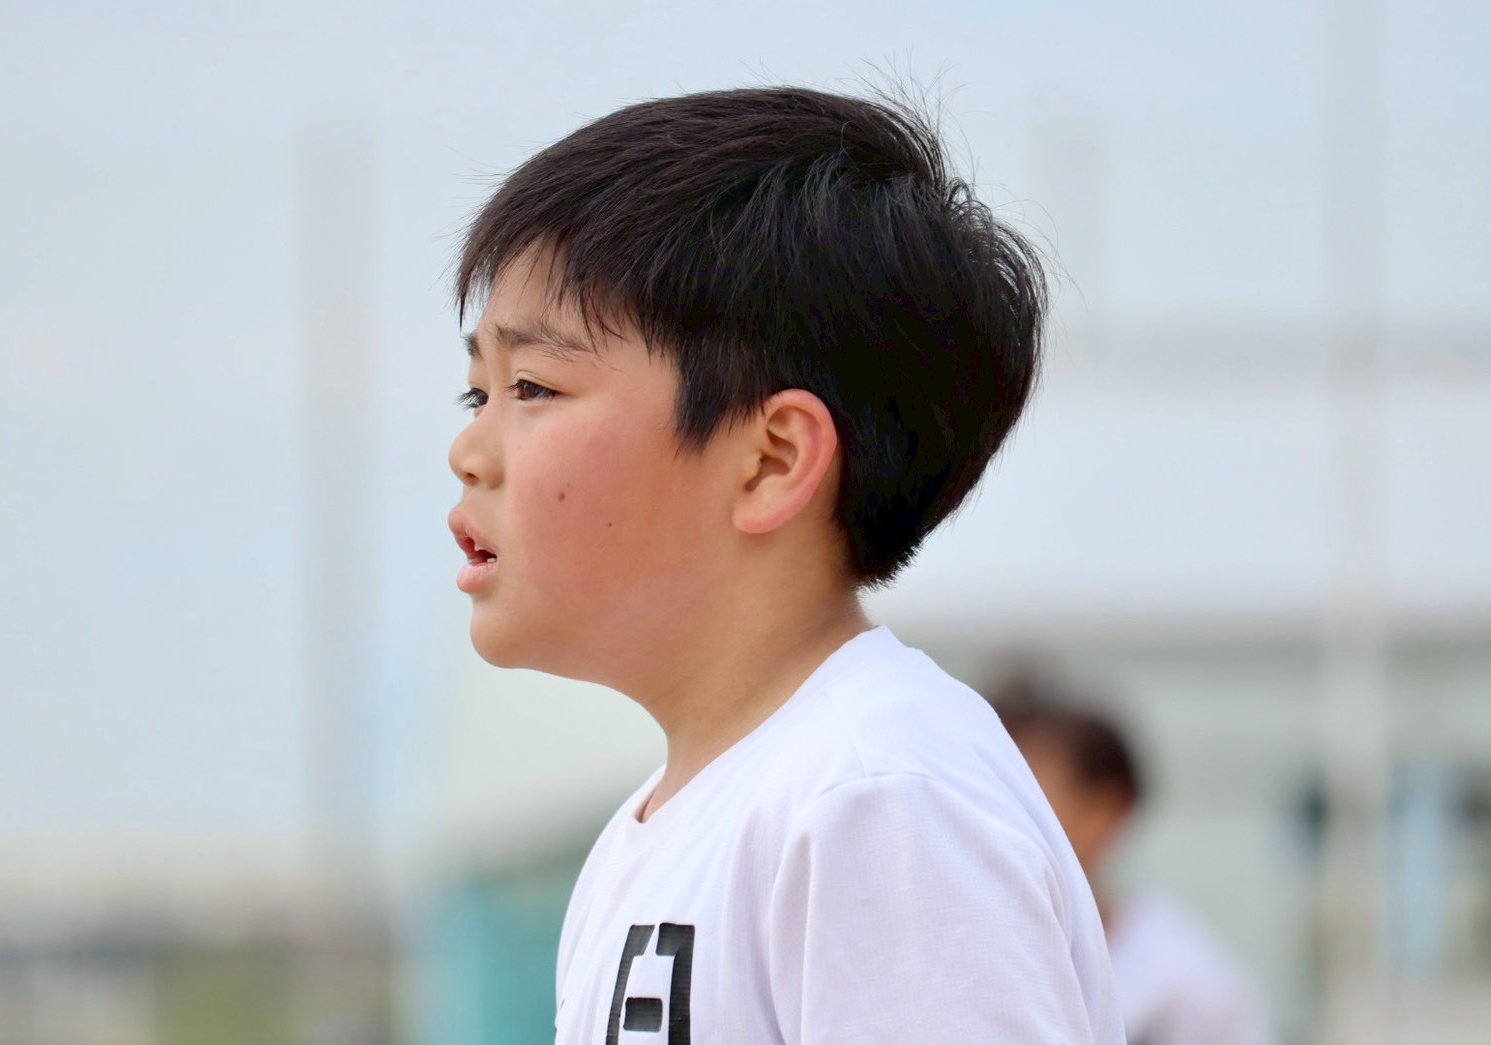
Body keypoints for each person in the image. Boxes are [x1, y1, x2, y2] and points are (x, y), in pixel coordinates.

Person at [447, 85, 1122, 1043]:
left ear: (771, 460)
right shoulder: (660, 831)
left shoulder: (878, 796)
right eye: (473, 393)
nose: (469, 449)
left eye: (531, 386)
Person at [992, 677, 1278, 1045]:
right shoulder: (969, 952)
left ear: (1105, 813)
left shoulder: (1184, 985)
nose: (998, 811)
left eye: (1028, 789)